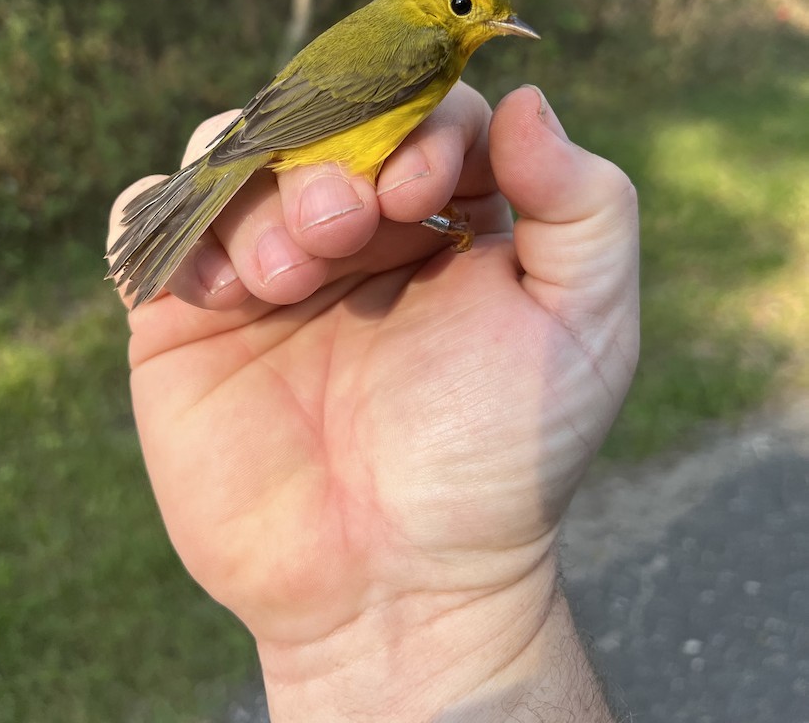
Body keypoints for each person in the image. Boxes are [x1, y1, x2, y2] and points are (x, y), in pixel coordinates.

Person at [108, 83, 639, 722]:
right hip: (282, 169)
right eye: (467, 7)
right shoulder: (421, 45)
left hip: (293, 160)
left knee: (386, 191)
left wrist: (457, 607)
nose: (490, 23)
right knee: (367, 194)